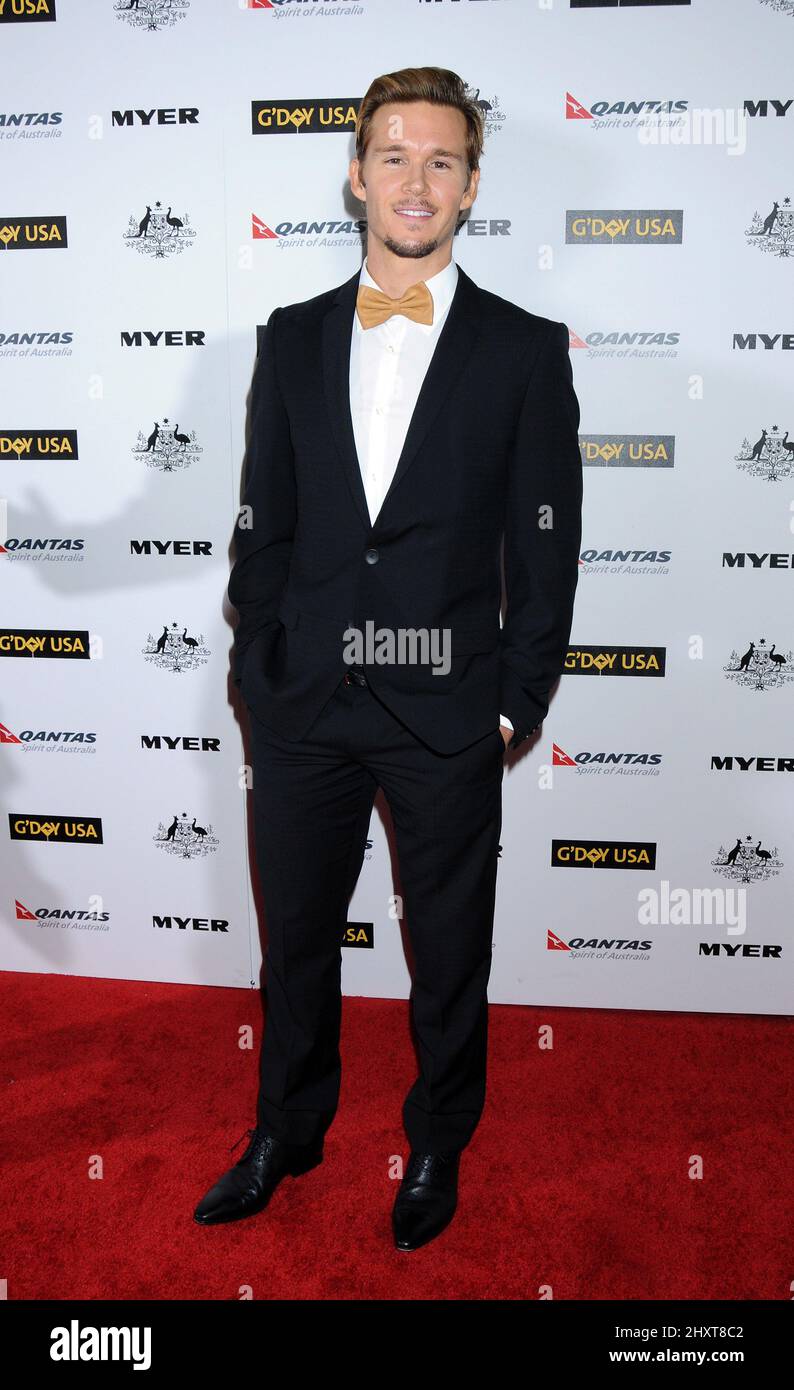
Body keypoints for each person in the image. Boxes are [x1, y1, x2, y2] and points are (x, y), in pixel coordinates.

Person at [194, 66, 583, 1251]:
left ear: (471, 186)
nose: (415, 181)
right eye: (394, 157)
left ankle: (436, 1141)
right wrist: (257, 659)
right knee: (296, 937)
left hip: (447, 710)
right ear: (355, 174)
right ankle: (288, 1128)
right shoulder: (294, 335)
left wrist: (512, 706)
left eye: (442, 160)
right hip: (303, 700)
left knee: (447, 950)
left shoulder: (521, 349)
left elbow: (545, 544)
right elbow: (263, 519)